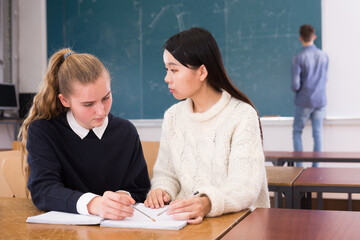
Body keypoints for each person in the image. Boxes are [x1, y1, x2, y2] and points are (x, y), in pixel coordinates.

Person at [144, 27, 270, 224]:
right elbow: (166, 174)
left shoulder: (242, 115)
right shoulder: (172, 117)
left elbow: (244, 187)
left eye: (174, 70)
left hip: (237, 224)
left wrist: (207, 203)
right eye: (166, 70)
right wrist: (161, 190)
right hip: (187, 224)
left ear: (202, 71)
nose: (167, 78)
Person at [19, 48, 150, 220]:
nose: (101, 111)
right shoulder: (43, 131)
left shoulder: (126, 132)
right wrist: (94, 204)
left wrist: (123, 197)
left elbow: (140, 188)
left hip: (117, 231)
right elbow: (44, 190)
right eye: (88, 104)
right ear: (65, 101)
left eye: (106, 98)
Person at [292, 24, 329, 167]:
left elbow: (295, 85)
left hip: (304, 100)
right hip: (320, 100)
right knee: (317, 133)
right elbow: (325, 79)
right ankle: (316, 170)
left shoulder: (298, 58)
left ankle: (299, 169)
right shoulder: (324, 56)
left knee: (297, 132)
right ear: (314, 36)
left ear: (300, 38)